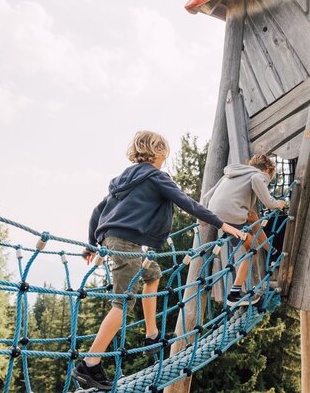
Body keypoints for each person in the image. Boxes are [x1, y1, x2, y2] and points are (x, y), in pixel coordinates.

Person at [71, 131, 244, 391]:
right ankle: (89, 364)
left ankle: (151, 334)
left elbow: (98, 211)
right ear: (159, 153)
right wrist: (222, 224)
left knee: (152, 276)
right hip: (126, 244)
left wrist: (92, 243)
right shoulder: (156, 177)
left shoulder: (121, 179)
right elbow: (187, 203)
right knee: (122, 304)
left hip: (118, 240)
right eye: (165, 154)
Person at [201, 154, 285, 307]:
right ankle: (234, 294)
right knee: (252, 250)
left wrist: (202, 217)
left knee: (253, 219)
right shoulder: (258, 175)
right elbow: (258, 181)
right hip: (231, 215)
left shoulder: (230, 174)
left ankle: (272, 252)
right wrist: (276, 203)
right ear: (267, 169)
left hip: (215, 215)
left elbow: (207, 195)